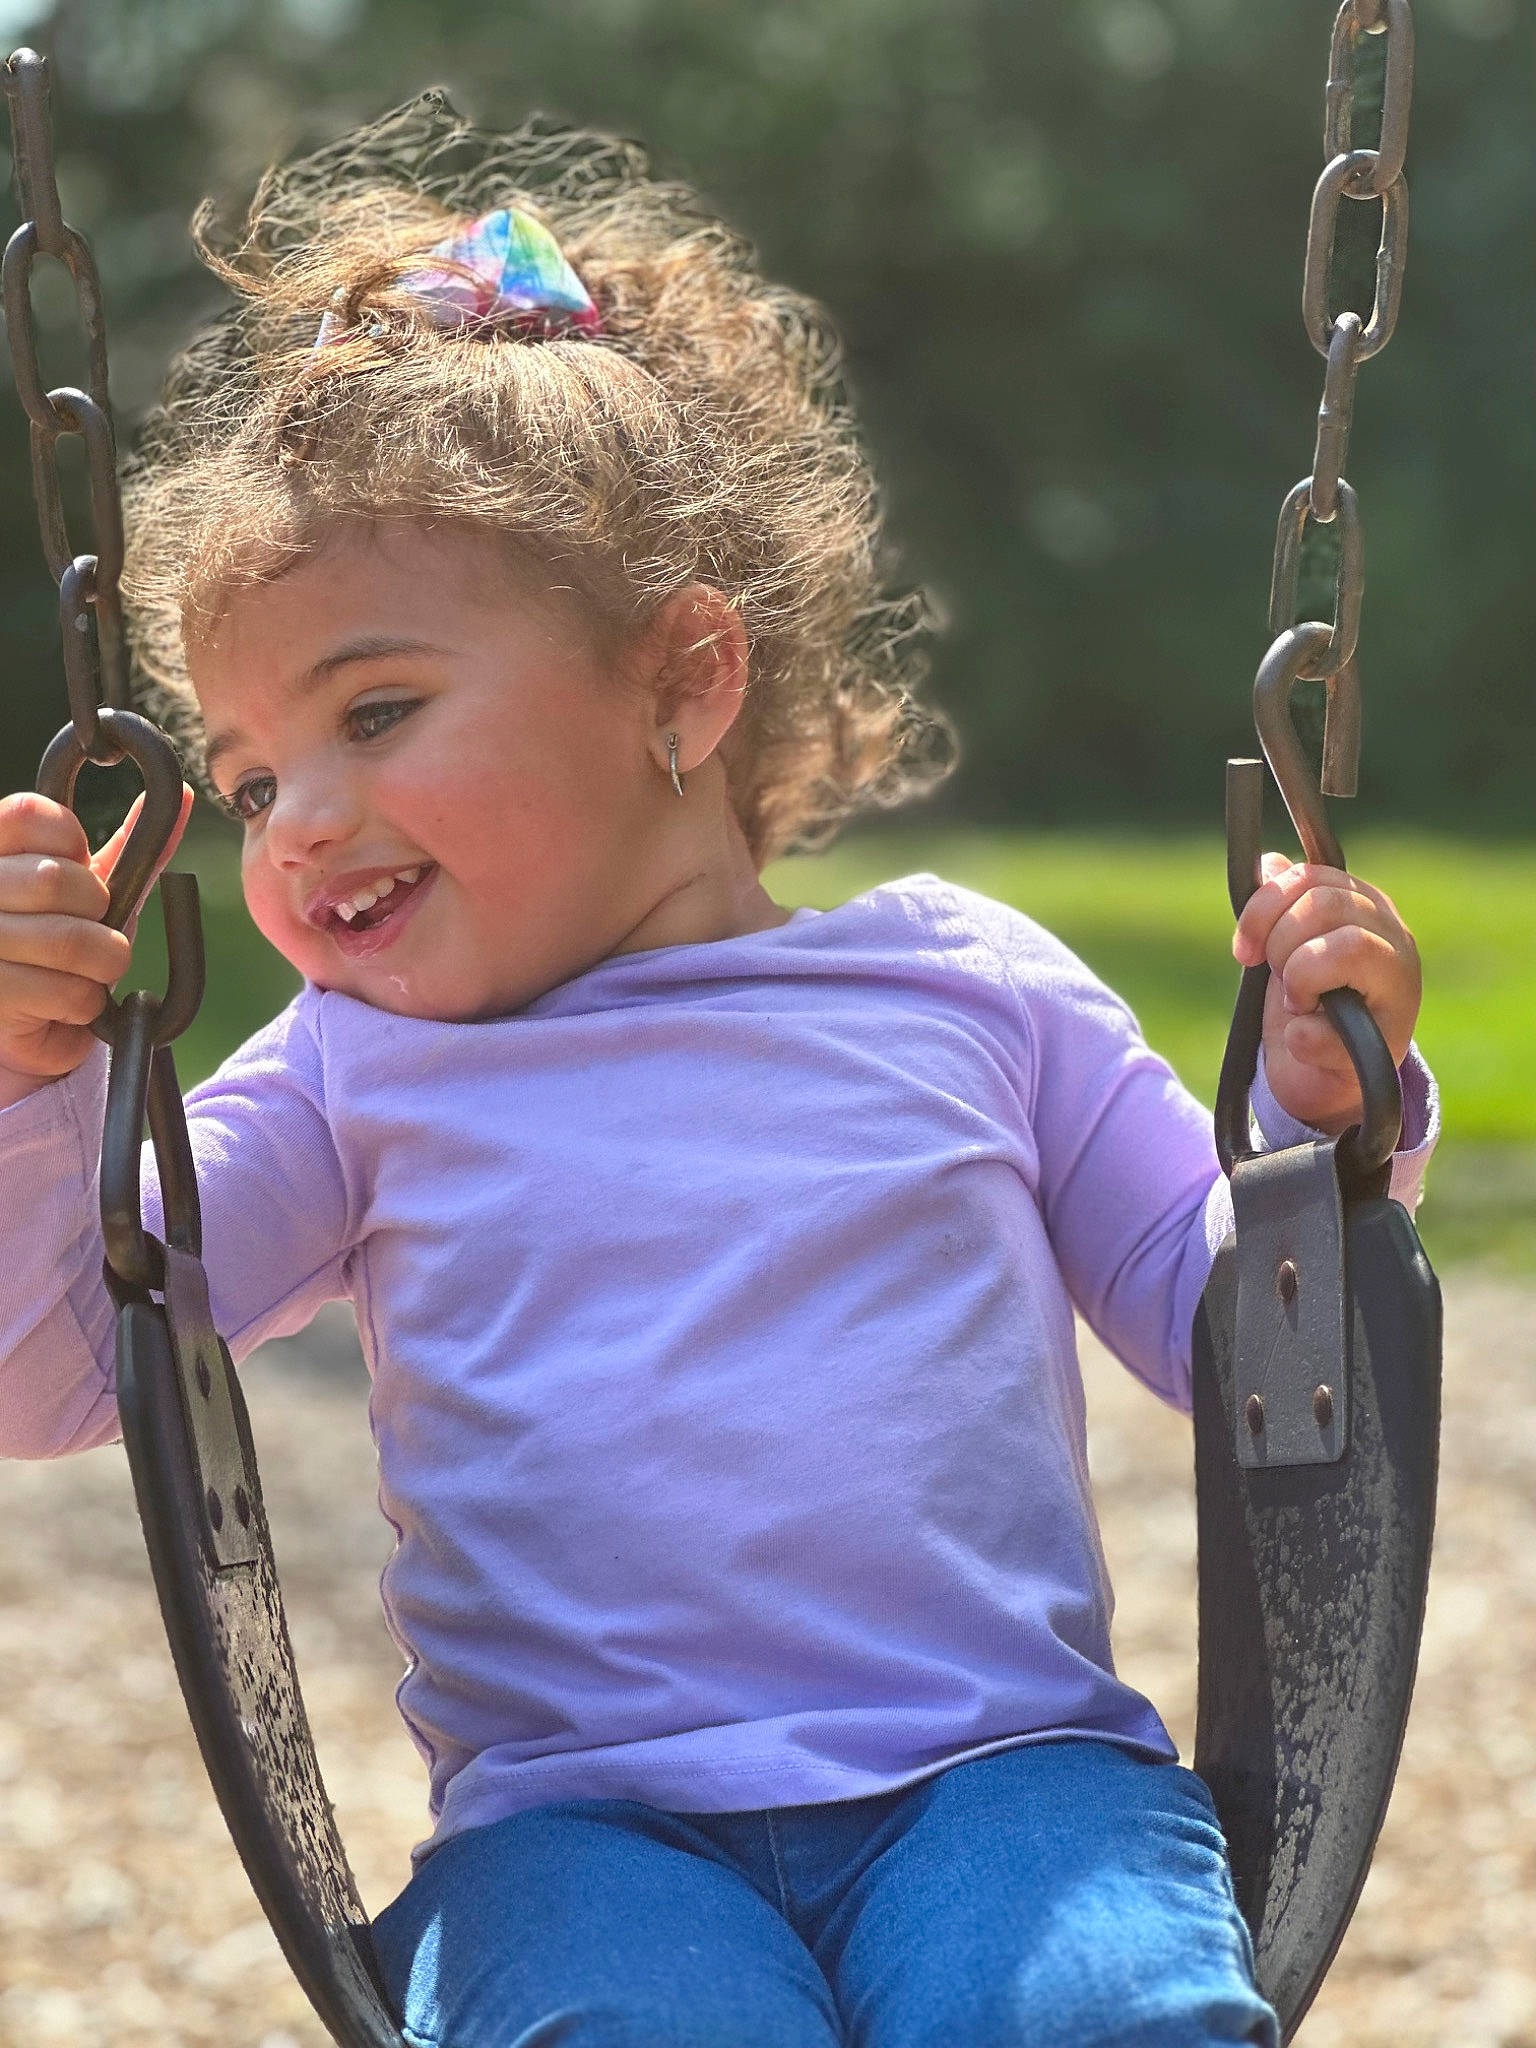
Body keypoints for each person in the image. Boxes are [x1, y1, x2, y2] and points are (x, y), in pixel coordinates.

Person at [0, 96, 1432, 2048]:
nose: (299, 822)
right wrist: (31, 1080)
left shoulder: (966, 991)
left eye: (377, 711)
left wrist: (1317, 1122)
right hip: (581, 1836)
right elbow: (57, 1370)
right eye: (251, 782)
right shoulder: (353, 1071)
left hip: (1005, 1783)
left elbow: (1247, 1345)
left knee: (1106, 2010)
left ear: (685, 680)